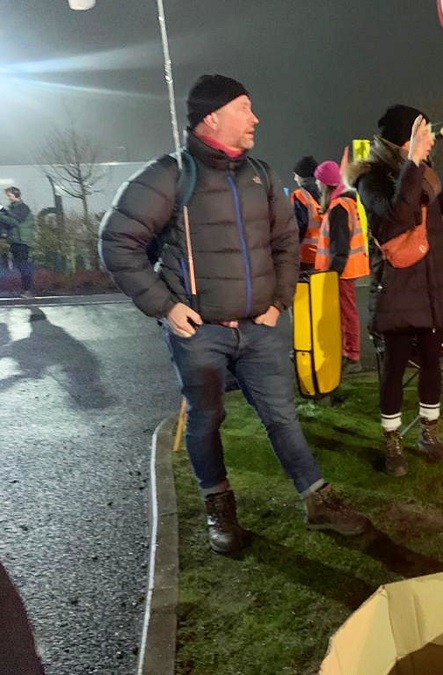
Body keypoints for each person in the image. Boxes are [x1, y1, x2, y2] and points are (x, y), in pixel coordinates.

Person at [99, 74, 369, 555]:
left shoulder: (260, 176)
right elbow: (117, 240)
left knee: (283, 417)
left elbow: (287, 242)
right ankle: (218, 509)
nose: (255, 118)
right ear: (212, 117)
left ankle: (317, 500)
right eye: (245, 107)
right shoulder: (169, 175)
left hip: (260, 330)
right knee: (206, 420)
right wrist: (164, 305)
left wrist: (279, 301)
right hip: (201, 334)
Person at [347, 104, 443, 477]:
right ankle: (392, 442)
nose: (429, 141)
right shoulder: (370, 177)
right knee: (393, 368)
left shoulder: (424, 173)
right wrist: (414, 164)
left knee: (431, 363)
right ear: (402, 139)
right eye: (421, 134)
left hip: (431, 291)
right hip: (397, 290)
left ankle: (429, 435)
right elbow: (398, 215)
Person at [312, 160, 369, 374]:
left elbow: (340, 246)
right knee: (346, 313)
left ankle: (353, 356)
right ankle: (349, 353)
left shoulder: (338, 208)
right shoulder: (345, 204)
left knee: (346, 314)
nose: (317, 185)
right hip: (346, 269)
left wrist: (332, 274)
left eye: (318, 181)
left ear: (326, 184)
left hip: (342, 271)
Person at [0, 186, 36, 299]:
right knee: (20, 266)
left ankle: (28, 290)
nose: (8, 198)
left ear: (16, 195)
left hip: (22, 241)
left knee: (23, 265)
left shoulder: (23, 208)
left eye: (9, 196)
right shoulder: (14, 208)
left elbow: (14, 221)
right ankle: (26, 290)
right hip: (15, 241)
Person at [290, 155, 321, 271]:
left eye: (295, 175)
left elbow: (297, 226)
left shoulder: (300, 196)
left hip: (306, 255)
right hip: (325, 255)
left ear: (302, 176)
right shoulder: (327, 194)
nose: (294, 179)